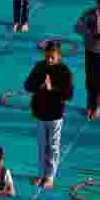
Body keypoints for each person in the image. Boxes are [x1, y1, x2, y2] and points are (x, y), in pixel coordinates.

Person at [24, 41, 74, 189]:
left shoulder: (64, 71)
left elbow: (68, 94)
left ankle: (50, 176)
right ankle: (40, 174)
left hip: (55, 115)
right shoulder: (39, 66)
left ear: (59, 56)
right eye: (47, 56)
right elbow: (27, 85)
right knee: (41, 145)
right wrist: (39, 84)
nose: (49, 60)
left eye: (52, 57)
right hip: (40, 112)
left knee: (53, 146)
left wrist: (51, 89)